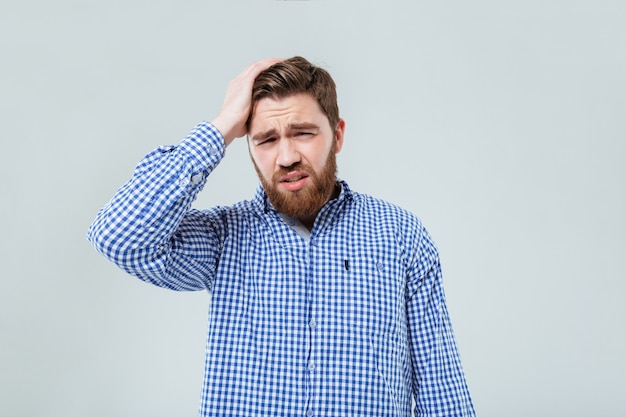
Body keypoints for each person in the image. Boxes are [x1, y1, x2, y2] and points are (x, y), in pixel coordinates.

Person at [87, 56, 475, 416]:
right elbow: (119, 236)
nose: (286, 156)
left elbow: (440, 386)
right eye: (267, 140)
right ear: (248, 147)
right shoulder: (224, 239)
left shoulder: (401, 235)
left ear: (337, 136)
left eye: (303, 133)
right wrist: (220, 127)